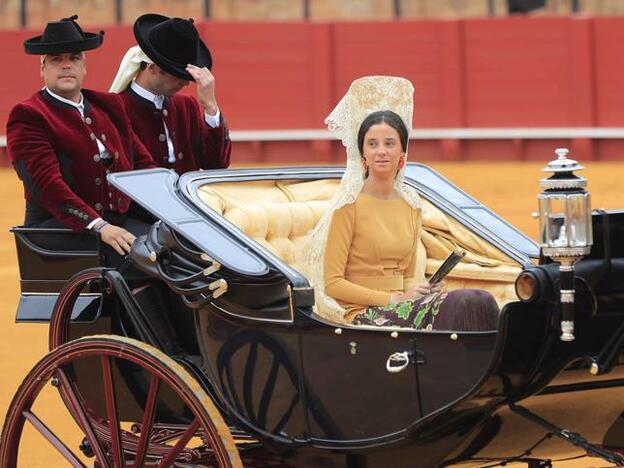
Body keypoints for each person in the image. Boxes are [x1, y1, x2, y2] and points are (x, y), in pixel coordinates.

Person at [301, 76, 499, 330]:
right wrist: (392, 299)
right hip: (363, 312)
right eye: (372, 144)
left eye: (389, 143)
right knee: (469, 302)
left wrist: (422, 290)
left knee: (481, 299)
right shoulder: (348, 207)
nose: (381, 151)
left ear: (402, 156)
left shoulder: (411, 205)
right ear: (363, 156)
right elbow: (333, 283)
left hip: (402, 306)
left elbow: (405, 277)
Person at [7, 15, 157, 261]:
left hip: (118, 221)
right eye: (56, 60)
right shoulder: (29, 115)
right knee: (138, 259)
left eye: (74, 58)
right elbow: (48, 186)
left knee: (174, 251)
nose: (66, 65)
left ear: (84, 66)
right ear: (42, 68)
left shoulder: (109, 106)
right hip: (60, 227)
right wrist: (98, 225)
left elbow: (143, 166)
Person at [109, 13, 231, 173]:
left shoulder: (187, 106)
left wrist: (210, 107)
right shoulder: (116, 109)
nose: (186, 83)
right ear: (152, 68)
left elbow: (216, 164)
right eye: (178, 75)